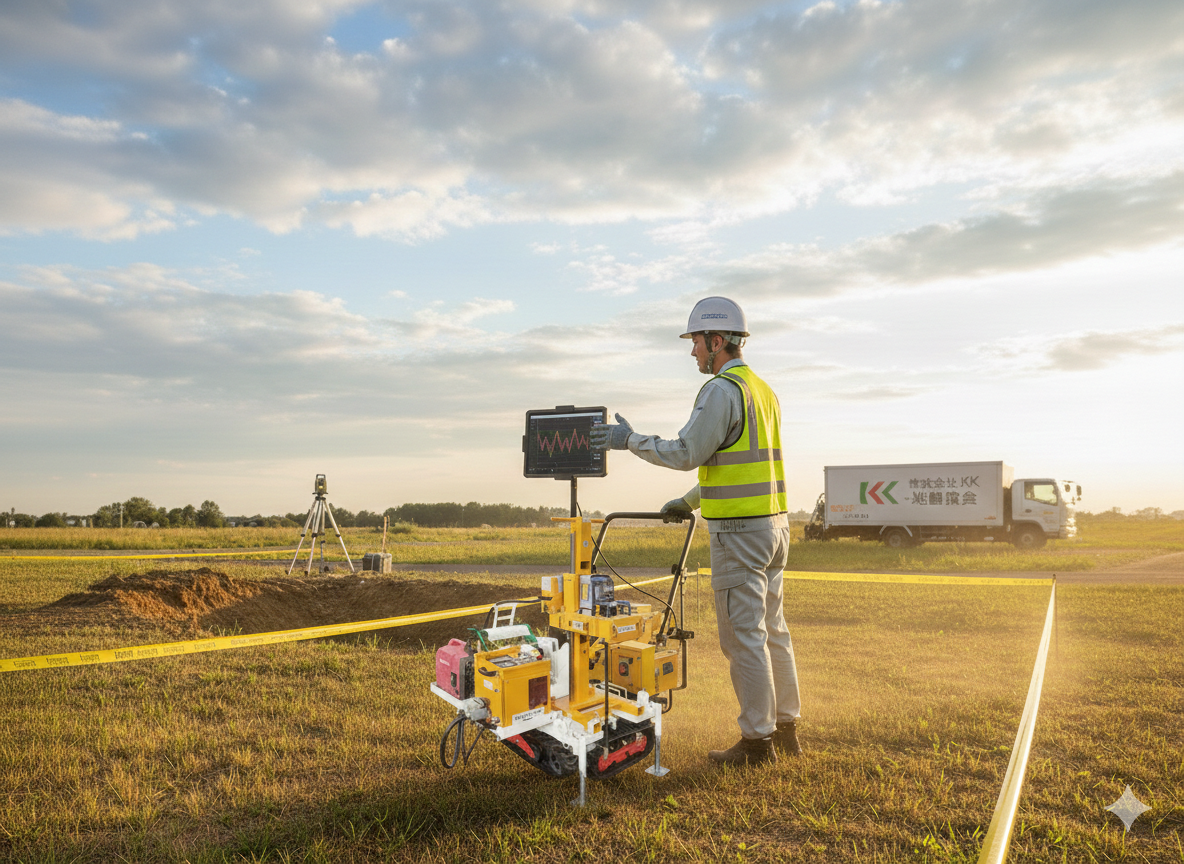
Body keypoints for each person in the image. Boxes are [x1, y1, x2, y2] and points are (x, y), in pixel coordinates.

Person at [590, 296, 801, 767]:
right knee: (773, 632)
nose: (693, 354)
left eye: (696, 344)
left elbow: (687, 451)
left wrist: (630, 441)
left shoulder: (721, 391)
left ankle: (757, 743)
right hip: (775, 529)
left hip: (740, 536)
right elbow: (731, 462)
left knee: (744, 637)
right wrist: (689, 501)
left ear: (717, 341)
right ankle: (786, 729)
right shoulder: (762, 390)